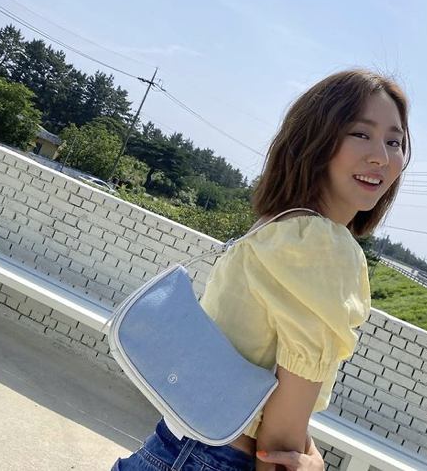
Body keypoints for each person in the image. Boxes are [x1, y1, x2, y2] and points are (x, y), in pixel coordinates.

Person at [111, 68, 411, 471]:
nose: (382, 157)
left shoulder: (280, 226)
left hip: (175, 445)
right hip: (216, 459)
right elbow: (278, 444)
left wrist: (306, 449)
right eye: (360, 133)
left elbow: (275, 396)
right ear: (315, 140)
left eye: (394, 141)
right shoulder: (320, 245)